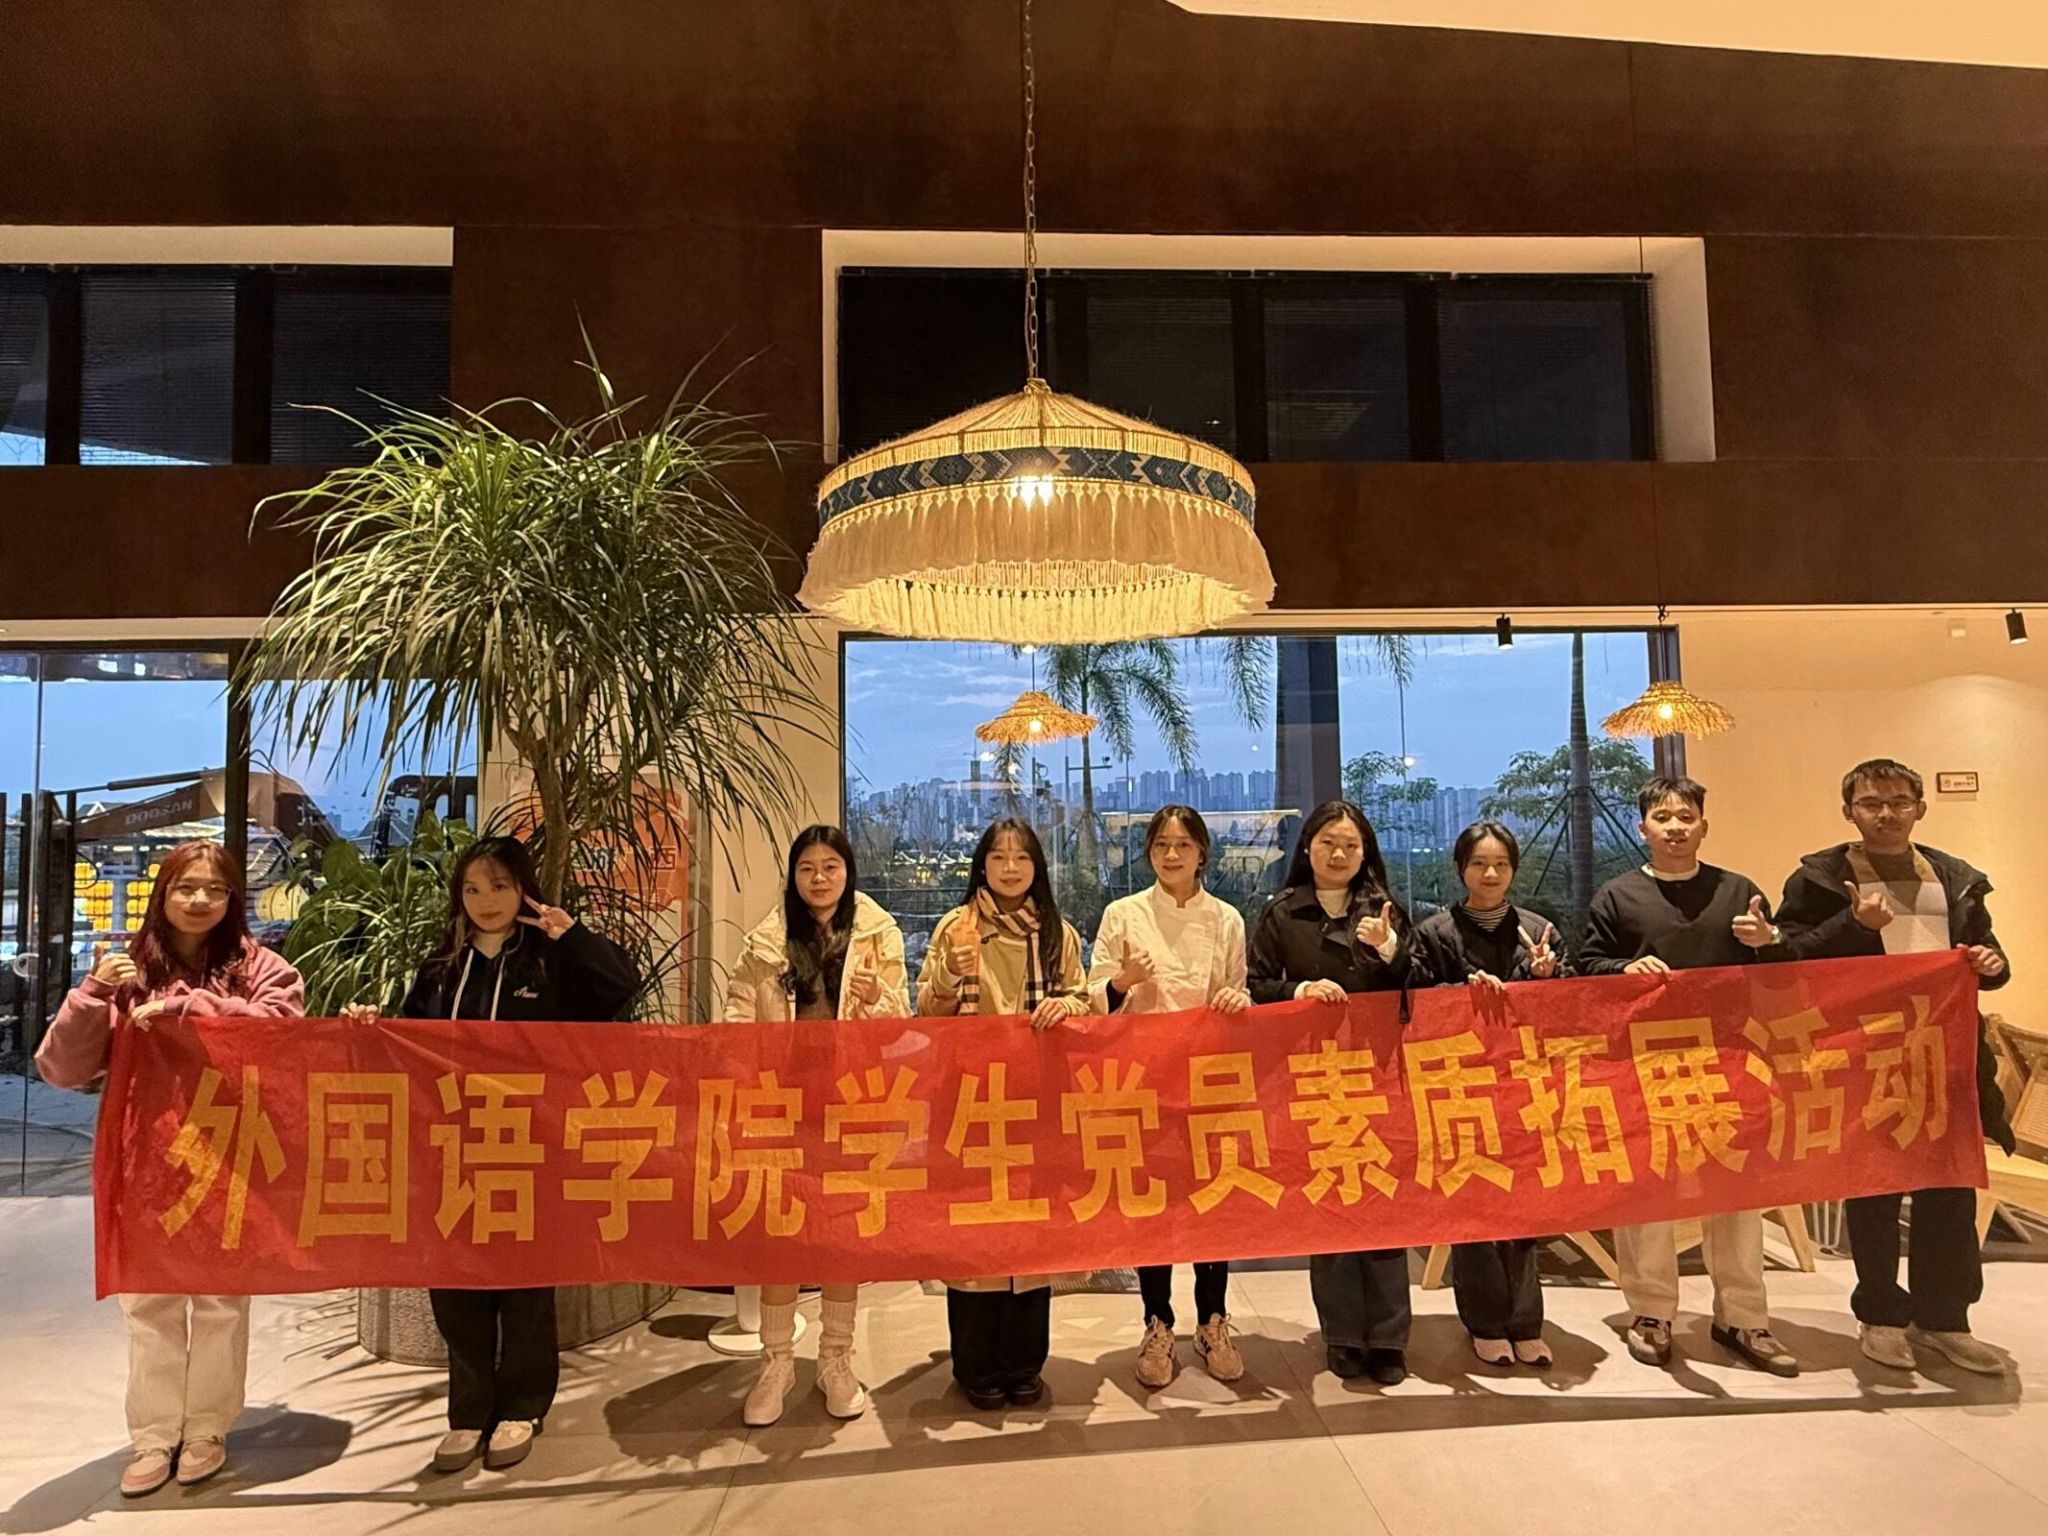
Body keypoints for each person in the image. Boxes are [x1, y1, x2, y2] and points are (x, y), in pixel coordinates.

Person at [36, 841, 305, 1498]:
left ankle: (208, 1428)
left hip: (229, 1154)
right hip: (146, 1159)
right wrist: (93, 994)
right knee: (149, 1299)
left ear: (233, 898)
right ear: (163, 893)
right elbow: (61, 1069)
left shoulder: (262, 967)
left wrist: (197, 1009)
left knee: (219, 1298)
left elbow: (284, 1033)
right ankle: (154, 1434)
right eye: (186, 887)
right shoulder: (126, 968)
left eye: (215, 889)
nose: (200, 900)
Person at [365, 836, 638, 1474]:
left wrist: (573, 937)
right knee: (453, 1282)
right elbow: (405, 1047)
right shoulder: (440, 968)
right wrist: (368, 1027)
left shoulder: (549, 962)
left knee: (525, 1283)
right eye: (472, 888)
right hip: (451, 1147)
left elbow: (620, 989)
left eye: (499, 886)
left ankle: (522, 1405)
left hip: (529, 1146)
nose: (485, 900)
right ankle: (468, 1412)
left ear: (524, 890)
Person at [1773, 758, 2012, 1376]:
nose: (1886, 814)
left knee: (1949, 1188)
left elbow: (1987, 953)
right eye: (1871, 803)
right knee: (1874, 1188)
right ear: (1848, 811)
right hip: (1864, 1054)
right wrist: (1852, 925)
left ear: (1919, 808)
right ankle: (1880, 1315)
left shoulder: (1955, 877)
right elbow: (1789, 960)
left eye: (1899, 802)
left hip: (1944, 1053)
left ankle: (1945, 1320)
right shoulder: (1821, 879)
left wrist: (1991, 963)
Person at [1579, 776, 1799, 1377]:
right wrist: (1624, 968)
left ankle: (1744, 1317)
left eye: (1686, 816)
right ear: (1642, 827)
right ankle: (1651, 1313)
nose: (1675, 827)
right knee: (1649, 1191)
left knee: (1740, 1193)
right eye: (1662, 817)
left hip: (1730, 1063)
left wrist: (1770, 940)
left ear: (1704, 825)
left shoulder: (1739, 891)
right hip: (1646, 1064)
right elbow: (1586, 968)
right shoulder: (1616, 896)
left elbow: (1784, 975)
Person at [724, 824, 910, 1424]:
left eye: (831, 866)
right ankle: (776, 1362)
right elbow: (735, 1020)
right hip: (781, 1103)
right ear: (794, 876)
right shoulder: (767, 940)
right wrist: (740, 1082)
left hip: (853, 1103)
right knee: (779, 1235)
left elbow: (901, 1026)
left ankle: (836, 1358)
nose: (820, 878)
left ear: (847, 872)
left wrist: (876, 997)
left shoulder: (878, 933)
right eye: (808, 868)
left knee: (841, 1235)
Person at [916, 817, 1092, 1412]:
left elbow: (1084, 998)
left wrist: (1068, 1006)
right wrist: (951, 971)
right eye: (998, 857)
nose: (1010, 868)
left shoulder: (1057, 933)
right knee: (975, 1235)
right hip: (970, 1102)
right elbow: (926, 1011)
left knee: (1030, 1236)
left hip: (1036, 1103)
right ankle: (975, 1364)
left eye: (1021, 858)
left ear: (1037, 867)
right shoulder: (956, 927)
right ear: (982, 866)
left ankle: (1024, 1362)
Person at [1246, 799, 1416, 1386]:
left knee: (1383, 1202)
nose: (1338, 854)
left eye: (1350, 845)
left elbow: (1417, 984)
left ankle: (1389, 1338)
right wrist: (1299, 991)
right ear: (1307, 849)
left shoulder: (1385, 910)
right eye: (1327, 843)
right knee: (1333, 1200)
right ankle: (1342, 1334)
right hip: (1313, 1076)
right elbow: (1257, 984)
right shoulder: (1281, 912)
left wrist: (1389, 948)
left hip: (1377, 1075)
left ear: (1365, 852)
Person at [1087, 804, 1253, 1390]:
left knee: (1212, 1202)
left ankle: (1213, 1321)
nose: (1172, 854)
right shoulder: (1123, 914)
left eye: (1183, 844)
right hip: (1144, 1081)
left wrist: (1237, 1001)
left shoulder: (1227, 919)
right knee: (1152, 1207)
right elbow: (1094, 997)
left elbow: (1238, 991)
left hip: (1208, 1081)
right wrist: (1122, 982)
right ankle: (1157, 1323)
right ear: (1149, 853)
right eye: (1161, 844)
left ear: (1202, 852)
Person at [1409, 821, 1569, 1369]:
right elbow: (1415, 1002)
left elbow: (1569, 1006)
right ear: (1461, 869)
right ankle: (1483, 1321)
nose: (1491, 873)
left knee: (1524, 1206)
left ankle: (1526, 1322)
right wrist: (1460, 994)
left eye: (1501, 863)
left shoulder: (1539, 930)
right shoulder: (1434, 932)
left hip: (1525, 1082)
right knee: (1474, 1203)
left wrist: (1544, 976)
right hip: (1461, 1084)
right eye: (1479, 863)